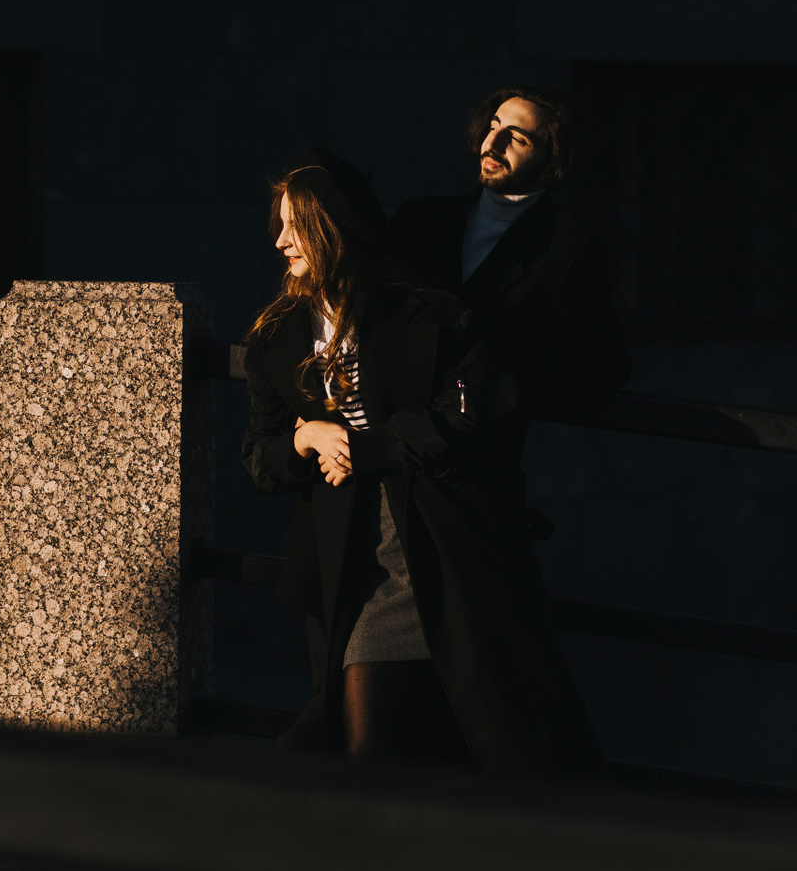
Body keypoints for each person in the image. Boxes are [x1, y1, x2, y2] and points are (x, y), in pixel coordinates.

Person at [242, 149, 601, 772]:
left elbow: (464, 421)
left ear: (335, 227)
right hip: (347, 559)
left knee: (407, 740)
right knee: (372, 741)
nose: (280, 241)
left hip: (436, 545)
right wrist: (306, 440)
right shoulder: (277, 337)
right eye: (279, 225)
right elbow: (259, 456)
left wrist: (361, 448)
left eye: (296, 225)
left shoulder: (429, 314)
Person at [390, 86, 630, 456]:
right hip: (389, 442)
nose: (492, 144)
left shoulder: (570, 245)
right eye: (493, 127)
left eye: (516, 138)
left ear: (551, 155)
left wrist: (518, 386)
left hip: (478, 458)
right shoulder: (420, 219)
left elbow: (606, 364)